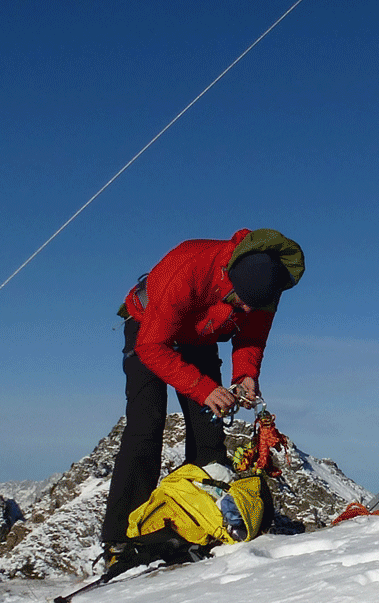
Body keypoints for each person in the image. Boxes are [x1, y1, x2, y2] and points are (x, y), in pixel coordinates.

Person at [101, 227, 305, 557]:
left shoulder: (265, 288)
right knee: (146, 424)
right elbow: (152, 347)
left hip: (201, 339)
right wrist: (203, 387)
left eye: (256, 307)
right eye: (243, 303)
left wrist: (245, 376)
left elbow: (251, 338)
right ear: (230, 279)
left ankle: (205, 521)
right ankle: (121, 537)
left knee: (209, 433)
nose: (249, 312)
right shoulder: (189, 269)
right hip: (149, 331)